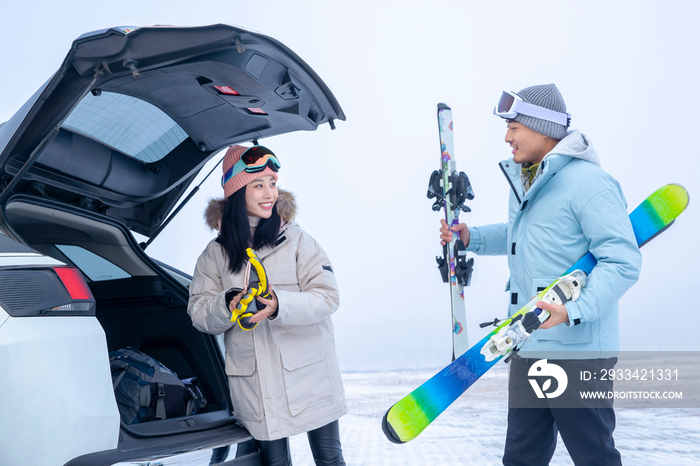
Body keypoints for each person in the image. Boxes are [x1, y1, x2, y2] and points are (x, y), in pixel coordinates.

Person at [439, 84, 642, 465]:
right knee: (521, 459)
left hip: (577, 356)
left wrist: (573, 310)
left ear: (543, 128)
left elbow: (622, 260)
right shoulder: (529, 180)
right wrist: (471, 238)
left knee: (594, 457)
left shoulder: (589, 184)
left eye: (514, 127)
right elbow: (522, 237)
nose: (507, 137)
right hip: (528, 345)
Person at [188, 145, 347, 466]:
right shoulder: (215, 254)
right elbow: (199, 314)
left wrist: (279, 305)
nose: (269, 193)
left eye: (272, 183)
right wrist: (227, 303)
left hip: (310, 378)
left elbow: (327, 296)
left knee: (330, 461)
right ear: (236, 192)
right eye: (258, 185)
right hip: (256, 387)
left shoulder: (298, 240)